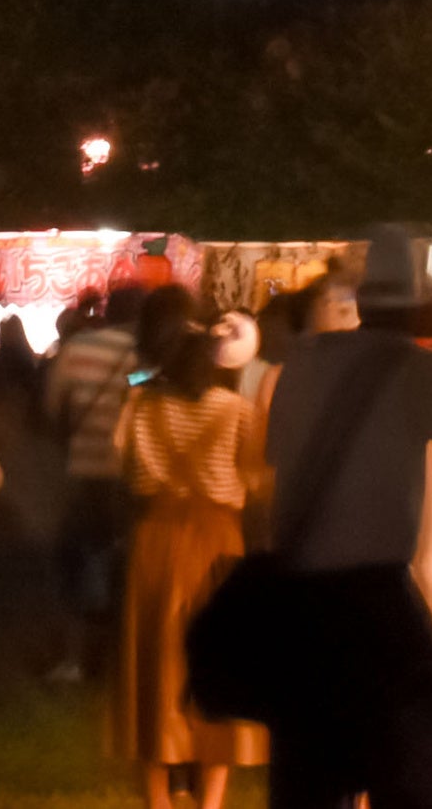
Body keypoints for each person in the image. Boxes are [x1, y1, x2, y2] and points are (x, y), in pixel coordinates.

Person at [261, 224, 432, 809]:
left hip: (300, 599)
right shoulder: (421, 373)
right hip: (378, 601)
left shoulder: (300, 365)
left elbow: (275, 469)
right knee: (410, 767)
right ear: (418, 306)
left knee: (309, 774)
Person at [110, 323, 265, 807]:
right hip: (219, 542)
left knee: (155, 668)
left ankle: (159, 798)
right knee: (220, 668)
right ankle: (211, 800)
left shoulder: (142, 405)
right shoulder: (238, 411)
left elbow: (120, 460)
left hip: (156, 538)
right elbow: (256, 478)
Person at [44, 280, 146, 682]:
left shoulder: (77, 351)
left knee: (80, 567)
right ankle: (126, 658)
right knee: (131, 568)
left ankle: (76, 659)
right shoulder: (151, 358)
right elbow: (143, 389)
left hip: (85, 475)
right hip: (136, 479)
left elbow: (53, 409)